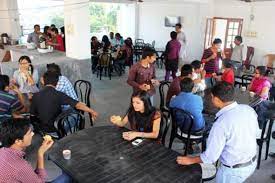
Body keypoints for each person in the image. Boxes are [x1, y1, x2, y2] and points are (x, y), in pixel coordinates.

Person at [176, 82, 259, 182]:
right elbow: (255, 133)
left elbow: (210, 157)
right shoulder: (248, 109)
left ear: (216, 99)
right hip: (251, 162)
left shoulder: (221, 124)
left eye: (212, 97)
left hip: (232, 172)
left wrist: (190, 160)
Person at [0, 119, 72, 183]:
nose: (33, 134)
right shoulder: (20, 166)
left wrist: (41, 151)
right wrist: (40, 153)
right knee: (68, 175)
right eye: (29, 133)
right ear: (18, 141)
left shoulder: (2, 151)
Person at [30, 71, 98, 134]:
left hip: (42, 129)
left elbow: (33, 114)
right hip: (56, 129)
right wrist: (92, 111)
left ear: (44, 81)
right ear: (57, 83)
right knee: (77, 115)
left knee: (65, 109)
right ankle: (75, 134)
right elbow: (78, 105)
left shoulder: (35, 95)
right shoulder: (59, 94)